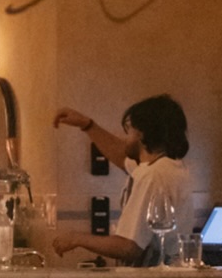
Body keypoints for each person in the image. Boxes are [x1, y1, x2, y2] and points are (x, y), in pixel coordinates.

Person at [51, 92, 191, 264]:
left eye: (129, 130)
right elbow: (122, 157)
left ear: (141, 133)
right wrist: (87, 125)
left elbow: (129, 247)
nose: (126, 138)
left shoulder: (153, 176)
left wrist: (76, 238)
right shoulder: (168, 167)